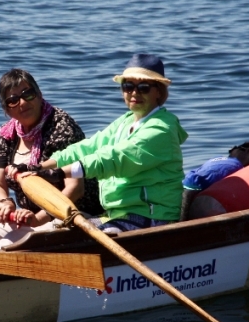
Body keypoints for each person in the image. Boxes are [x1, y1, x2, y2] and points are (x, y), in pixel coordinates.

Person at [14, 54, 188, 234]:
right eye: (128, 86)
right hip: (118, 214)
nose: (134, 93)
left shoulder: (162, 129)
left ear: (158, 91)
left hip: (152, 216)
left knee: (76, 240)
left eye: (143, 87)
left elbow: (113, 159)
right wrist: (40, 166)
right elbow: (87, 147)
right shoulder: (126, 121)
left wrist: (58, 173)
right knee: (52, 231)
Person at [0, 69, 102, 251]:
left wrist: (39, 219)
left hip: (74, 214)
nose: (22, 102)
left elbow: (76, 188)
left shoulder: (61, 127)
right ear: (6, 109)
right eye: (13, 100)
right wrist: (5, 203)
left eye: (28, 94)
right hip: (30, 217)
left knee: (8, 244)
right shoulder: (6, 135)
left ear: (39, 94)